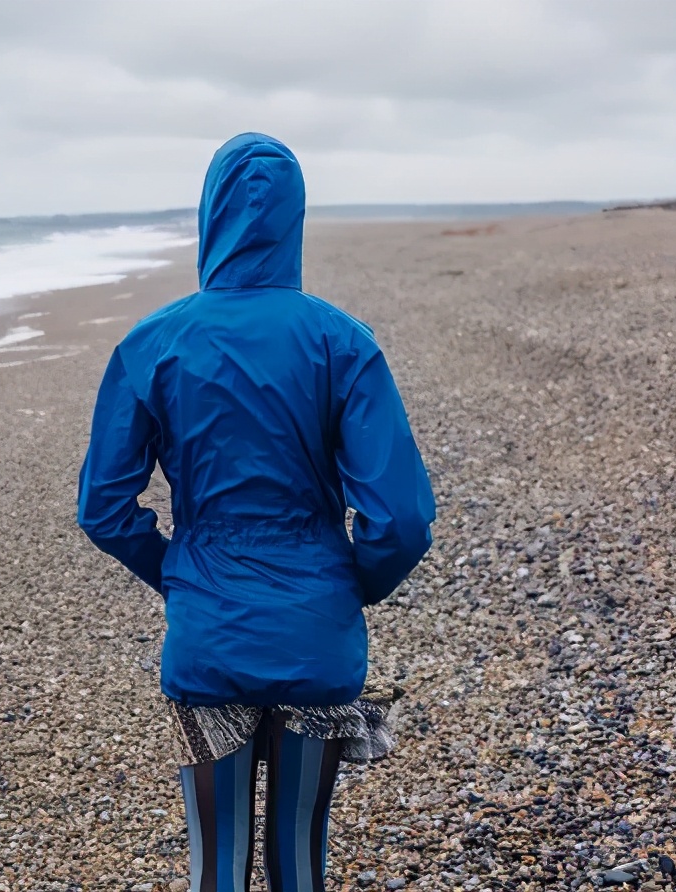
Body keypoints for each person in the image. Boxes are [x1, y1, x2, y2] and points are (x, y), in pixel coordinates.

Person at [76, 133, 436, 892]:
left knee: (218, 867)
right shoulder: (343, 342)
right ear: (294, 220)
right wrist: (344, 585)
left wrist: (177, 572)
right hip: (316, 631)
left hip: (209, 628)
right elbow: (398, 520)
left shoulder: (154, 343)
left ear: (208, 216)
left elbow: (104, 508)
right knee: (301, 861)